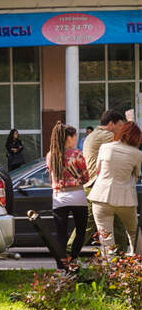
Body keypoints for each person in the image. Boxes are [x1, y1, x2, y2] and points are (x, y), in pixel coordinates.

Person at [67, 110, 127, 251]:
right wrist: (131, 123)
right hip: (98, 188)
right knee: (92, 224)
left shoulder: (93, 135)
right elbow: (128, 143)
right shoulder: (105, 135)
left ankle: (68, 254)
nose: (121, 128)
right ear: (111, 124)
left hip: (94, 187)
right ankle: (68, 253)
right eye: (120, 125)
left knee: (112, 224)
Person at [88, 121, 142, 255]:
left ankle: (109, 270)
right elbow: (136, 176)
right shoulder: (136, 154)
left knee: (106, 237)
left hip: (100, 196)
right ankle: (138, 264)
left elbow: (98, 170)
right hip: (125, 199)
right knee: (134, 232)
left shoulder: (105, 147)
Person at [45, 122, 89, 268]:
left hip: (59, 198)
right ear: (68, 138)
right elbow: (86, 177)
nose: (76, 139)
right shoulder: (77, 154)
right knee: (81, 231)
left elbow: (51, 175)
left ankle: (61, 265)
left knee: (61, 234)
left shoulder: (51, 155)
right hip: (78, 196)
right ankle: (73, 258)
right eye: (74, 136)